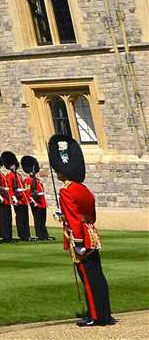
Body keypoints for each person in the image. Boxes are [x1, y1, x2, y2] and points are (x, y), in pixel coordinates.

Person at [50, 134, 114, 328]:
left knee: (88, 278)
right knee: (97, 275)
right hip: (91, 234)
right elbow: (88, 216)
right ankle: (104, 313)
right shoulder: (83, 189)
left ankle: (95, 316)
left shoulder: (66, 190)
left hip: (81, 239)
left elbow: (74, 219)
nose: (57, 173)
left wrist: (78, 243)